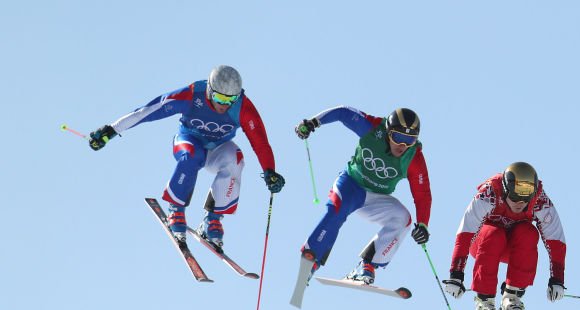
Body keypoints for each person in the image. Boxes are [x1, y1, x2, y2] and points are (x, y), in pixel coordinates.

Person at [88, 65, 285, 250]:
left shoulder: (243, 106)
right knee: (192, 156)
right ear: (209, 90)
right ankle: (176, 210)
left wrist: (270, 171)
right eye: (219, 98)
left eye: (229, 100)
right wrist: (111, 130)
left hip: (218, 148)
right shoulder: (192, 94)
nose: (223, 105)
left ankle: (213, 219)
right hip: (189, 140)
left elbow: (260, 142)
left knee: (236, 160)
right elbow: (149, 111)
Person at [294, 107, 431, 285]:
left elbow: (423, 195)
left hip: (377, 198)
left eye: (409, 140)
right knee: (336, 211)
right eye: (398, 137)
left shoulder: (414, 158)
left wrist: (423, 224)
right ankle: (312, 259)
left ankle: (368, 265)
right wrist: (313, 122)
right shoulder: (372, 129)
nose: (402, 146)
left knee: (403, 219)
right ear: (388, 132)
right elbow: (343, 112)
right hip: (351, 184)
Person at [441, 162, 566, 310]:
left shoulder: (539, 200)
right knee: (494, 234)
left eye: (525, 199)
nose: (520, 203)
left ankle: (511, 299)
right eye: (515, 197)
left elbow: (555, 239)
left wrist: (557, 278)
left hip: (513, 249)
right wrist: (456, 273)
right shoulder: (490, 192)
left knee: (528, 233)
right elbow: (466, 232)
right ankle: (484, 303)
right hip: (483, 243)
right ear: (506, 189)